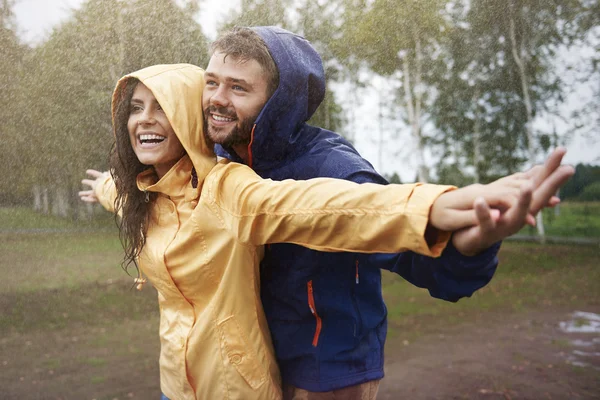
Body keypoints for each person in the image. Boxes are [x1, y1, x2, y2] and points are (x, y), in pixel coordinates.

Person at [80, 63, 571, 400]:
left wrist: (438, 203)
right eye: (135, 108)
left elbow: (325, 206)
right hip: (173, 383)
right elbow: (124, 198)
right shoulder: (144, 197)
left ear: (188, 115)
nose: (143, 119)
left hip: (236, 386)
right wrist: (104, 186)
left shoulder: (228, 189)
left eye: (159, 106)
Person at [202, 26, 573, 399]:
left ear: (279, 102)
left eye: (238, 88)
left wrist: (469, 245)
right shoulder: (223, 163)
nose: (217, 99)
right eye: (211, 82)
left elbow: (410, 246)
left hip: (326, 373)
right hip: (253, 366)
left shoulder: (335, 169)